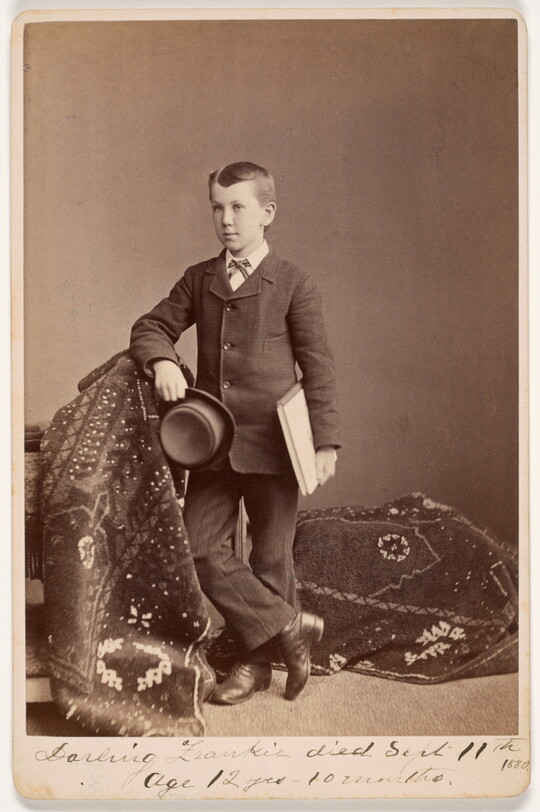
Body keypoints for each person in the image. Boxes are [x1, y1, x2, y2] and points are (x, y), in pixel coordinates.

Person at [130, 161, 341, 705]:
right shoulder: (199, 278)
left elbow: (318, 368)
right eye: (217, 208)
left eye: (238, 207)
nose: (226, 220)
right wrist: (163, 363)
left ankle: (253, 666)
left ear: (267, 214)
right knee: (200, 548)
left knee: (272, 558)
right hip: (213, 446)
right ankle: (289, 627)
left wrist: (324, 443)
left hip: (276, 446)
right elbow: (150, 326)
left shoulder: (294, 283)